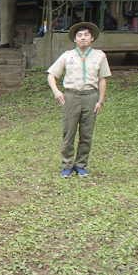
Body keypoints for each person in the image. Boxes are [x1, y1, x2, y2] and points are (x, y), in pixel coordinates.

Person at [47, 22, 111, 178]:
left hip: (90, 97)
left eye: (86, 35)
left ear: (92, 38)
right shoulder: (67, 56)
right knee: (69, 132)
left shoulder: (99, 56)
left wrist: (100, 101)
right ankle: (67, 165)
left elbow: (102, 79)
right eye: (80, 35)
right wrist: (56, 91)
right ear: (75, 39)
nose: (83, 38)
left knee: (87, 133)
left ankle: (81, 165)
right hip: (71, 97)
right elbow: (51, 75)